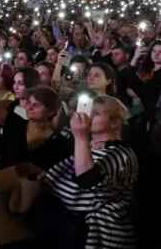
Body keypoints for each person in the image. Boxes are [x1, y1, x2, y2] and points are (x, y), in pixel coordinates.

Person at [41, 95, 138, 248]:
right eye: (89, 110)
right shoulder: (90, 147)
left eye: (97, 113)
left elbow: (87, 180)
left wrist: (80, 136)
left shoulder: (121, 153)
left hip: (102, 236)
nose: (88, 116)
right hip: (72, 227)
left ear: (114, 122)